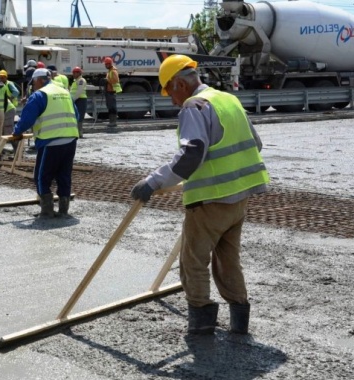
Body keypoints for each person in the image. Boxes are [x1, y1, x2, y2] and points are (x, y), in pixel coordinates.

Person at [129, 55, 270, 336]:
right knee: (228, 259)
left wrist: (152, 182)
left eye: (169, 91)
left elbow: (190, 155)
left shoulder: (194, 106)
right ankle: (239, 317)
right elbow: (256, 143)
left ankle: (202, 322)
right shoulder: (227, 99)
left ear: (180, 83)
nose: (171, 100)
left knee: (193, 261)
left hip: (211, 200)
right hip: (239, 198)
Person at [12, 68, 80, 218]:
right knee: (64, 175)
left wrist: (17, 132)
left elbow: (27, 119)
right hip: (70, 140)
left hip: (51, 141)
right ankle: (63, 210)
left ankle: (47, 211)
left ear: (40, 80)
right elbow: (77, 115)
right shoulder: (65, 92)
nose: (33, 86)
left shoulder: (40, 95)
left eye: (34, 82)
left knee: (42, 176)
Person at [0, 70, 20, 151]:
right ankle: (1, 151)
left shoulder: (9, 84)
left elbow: (16, 92)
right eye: (0, 77)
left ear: (6, 77)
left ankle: (17, 150)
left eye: (3, 77)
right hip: (6, 109)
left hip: (10, 108)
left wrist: (10, 97)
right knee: (3, 130)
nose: (1, 79)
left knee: (8, 130)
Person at [103, 56, 121, 127]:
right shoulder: (110, 71)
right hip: (109, 91)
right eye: (105, 64)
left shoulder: (113, 71)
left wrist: (107, 80)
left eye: (107, 64)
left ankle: (113, 122)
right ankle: (112, 121)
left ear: (110, 64)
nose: (106, 65)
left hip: (111, 91)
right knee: (110, 107)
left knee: (112, 107)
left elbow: (115, 81)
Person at [70, 66, 87, 138]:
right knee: (75, 116)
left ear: (79, 73)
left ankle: (80, 133)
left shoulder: (81, 80)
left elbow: (79, 92)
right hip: (76, 100)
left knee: (79, 117)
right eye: (73, 73)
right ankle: (76, 132)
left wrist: (73, 99)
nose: (73, 74)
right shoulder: (76, 81)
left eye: (75, 73)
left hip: (80, 100)